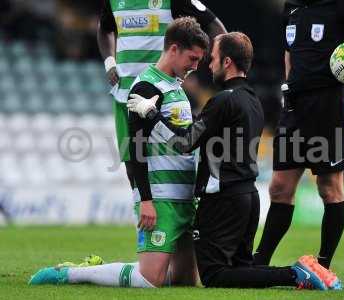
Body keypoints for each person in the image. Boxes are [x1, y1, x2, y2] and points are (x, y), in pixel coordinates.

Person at [127, 31, 342, 290]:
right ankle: (304, 272)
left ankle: (294, 273)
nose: (208, 64)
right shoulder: (253, 100)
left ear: (227, 62)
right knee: (242, 271)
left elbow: (184, 143)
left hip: (223, 200)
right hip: (248, 198)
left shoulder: (222, 100)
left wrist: (151, 114)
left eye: (214, 58)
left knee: (215, 275)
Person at [29, 17, 210, 288]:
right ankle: (72, 273)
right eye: (192, 58)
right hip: (160, 198)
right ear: (173, 49)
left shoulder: (175, 86)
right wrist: (145, 199)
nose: (195, 67)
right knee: (149, 280)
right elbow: (135, 147)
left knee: (185, 281)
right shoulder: (145, 87)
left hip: (183, 198)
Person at [253, 0, 344, 268]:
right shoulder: (291, 8)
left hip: (328, 107)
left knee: (329, 188)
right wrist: (289, 84)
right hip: (294, 107)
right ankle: (260, 263)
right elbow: (289, 51)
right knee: (279, 188)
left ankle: (323, 264)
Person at [97, 0, 225, 163]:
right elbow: (104, 28)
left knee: (171, 160)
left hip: (162, 96)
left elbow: (215, 27)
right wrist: (109, 61)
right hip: (124, 96)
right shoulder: (114, 1)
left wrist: (221, 67)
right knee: (132, 162)